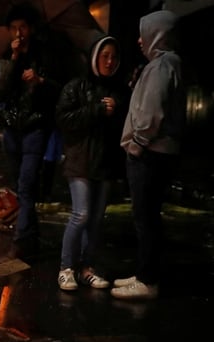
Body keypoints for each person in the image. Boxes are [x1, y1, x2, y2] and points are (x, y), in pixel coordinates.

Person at [111, 10, 185, 300]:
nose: (140, 40)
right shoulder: (164, 64)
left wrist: (137, 144)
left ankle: (147, 280)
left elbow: (153, 113)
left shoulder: (162, 66)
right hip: (157, 153)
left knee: (146, 217)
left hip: (150, 153)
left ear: (158, 34)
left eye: (145, 33)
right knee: (147, 216)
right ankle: (143, 273)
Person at [54, 36, 130, 291]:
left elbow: (125, 127)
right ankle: (66, 268)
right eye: (105, 56)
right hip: (80, 161)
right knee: (81, 213)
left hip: (105, 163)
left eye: (114, 57)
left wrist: (117, 110)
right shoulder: (76, 86)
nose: (109, 61)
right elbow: (64, 120)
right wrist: (96, 110)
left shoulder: (119, 91)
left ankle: (87, 267)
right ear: (95, 57)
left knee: (96, 219)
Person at [0, 4, 63, 260]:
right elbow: (0, 88)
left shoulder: (44, 54)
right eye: (13, 28)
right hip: (11, 128)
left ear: (30, 29)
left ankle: (21, 241)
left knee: (26, 183)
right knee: (19, 186)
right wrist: (11, 60)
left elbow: (59, 88)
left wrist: (40, 81)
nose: (18, 32)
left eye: (22, 27)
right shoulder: (6, 54)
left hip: (35, 127)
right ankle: (31, 235)